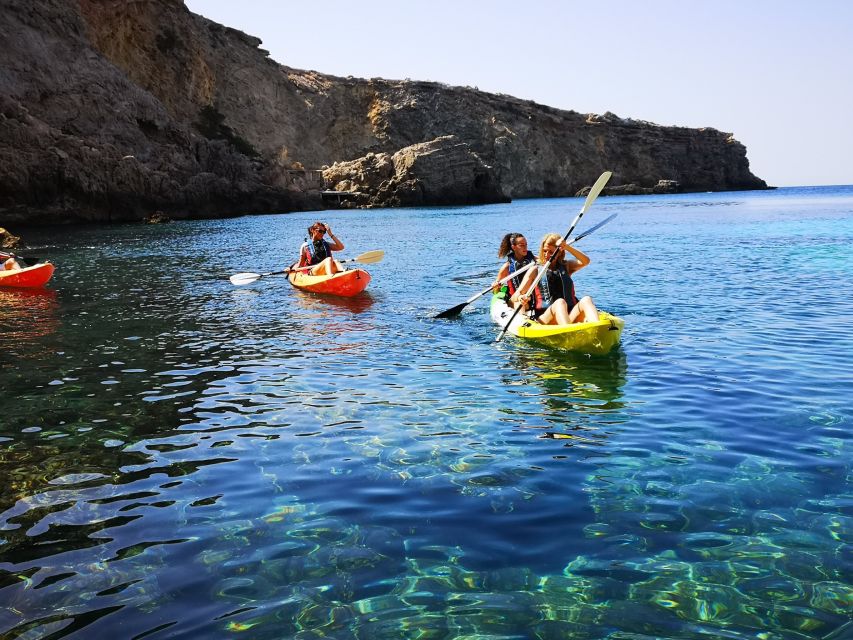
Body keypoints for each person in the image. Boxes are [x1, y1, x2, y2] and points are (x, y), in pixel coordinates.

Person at [512, 233, 600, 325]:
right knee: (560, 303)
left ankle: (598, 330)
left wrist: (566, 247)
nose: (546, 255)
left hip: (569, 315)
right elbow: (515, 296)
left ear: (559, 252)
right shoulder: (535, 270)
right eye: (545, 251)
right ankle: (568, 334)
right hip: (545, 318)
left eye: (551, 252)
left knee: (587, 299)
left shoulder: (567, 266)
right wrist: (520, 297)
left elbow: (585, 261)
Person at [492, 233, 536, 300]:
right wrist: (496, 287)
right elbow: (495, 292)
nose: (525, 247)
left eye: (526, 244)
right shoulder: (506, 267)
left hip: (533, 297)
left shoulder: (534, 260)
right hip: (517, 299)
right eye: (521, 245)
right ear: (513, 247)